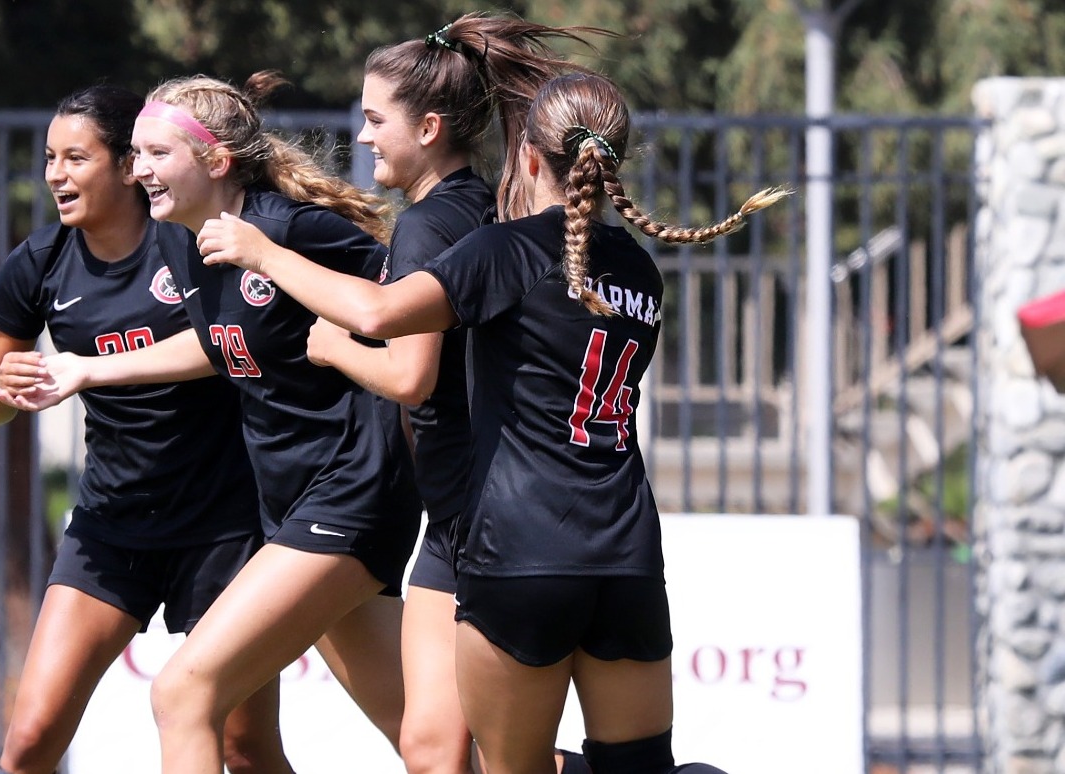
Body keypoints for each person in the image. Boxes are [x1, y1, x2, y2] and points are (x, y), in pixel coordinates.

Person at [195, 71, 787, 774]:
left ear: (531, 157)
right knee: (639, 768)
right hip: (627, 553)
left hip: (520, 553)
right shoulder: (639, 269)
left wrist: (263, 254)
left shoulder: (507, 251)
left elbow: (379, 314)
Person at [0, 72, 422, 773]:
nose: (139, 170)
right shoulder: (195, 248)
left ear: (215, 161)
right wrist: (84, 370)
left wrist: (346, 341)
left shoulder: (284, 229)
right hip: (292, 505)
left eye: (155, 154)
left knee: (184, 697)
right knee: (431, 741)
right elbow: (214, 346)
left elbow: (413, 298)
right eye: (134, 153)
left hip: (346, 494)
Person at [305, 15, 615, 774]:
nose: (365, 136)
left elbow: (411, 376)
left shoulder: (423, 231)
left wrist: (335, 347)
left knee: (466, 750)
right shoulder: (485, 205)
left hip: (475, 520)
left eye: (377, 119)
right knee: (441, 745)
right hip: (470, 509)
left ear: (431, 125)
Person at [0, 84, 291, 774]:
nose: (56, 173)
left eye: (75, 157)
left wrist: (89, 369)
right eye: (50, 157)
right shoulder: (42, 261)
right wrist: (4, 390)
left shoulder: (187, 241)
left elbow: (228, 343)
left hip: (222, 522)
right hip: (111, 522)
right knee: (27, 743)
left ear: (126, 166)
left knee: (246, 747)